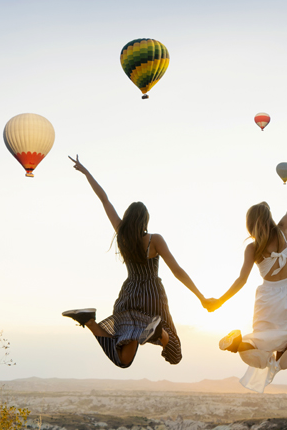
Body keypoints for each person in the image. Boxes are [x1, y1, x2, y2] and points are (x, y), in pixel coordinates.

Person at [63, 155, 209, 368]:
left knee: (123, 360)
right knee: (174, 352)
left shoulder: (122, 234)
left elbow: (104, 199)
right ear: (145, 220)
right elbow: (177, 271)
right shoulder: (154, 240)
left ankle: (87, 320)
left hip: (128, 298)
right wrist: (201, 296)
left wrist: (86, 173)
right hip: (152, 298)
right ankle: (158, 331)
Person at [207, 155, 287, 392]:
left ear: (251, 225)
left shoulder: (253, 248)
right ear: (268, 218)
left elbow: (241, 280)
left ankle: (240, 343)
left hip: (268, 297)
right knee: (285, 344)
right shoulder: (282, 229)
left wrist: (220, 301)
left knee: (261, 345)